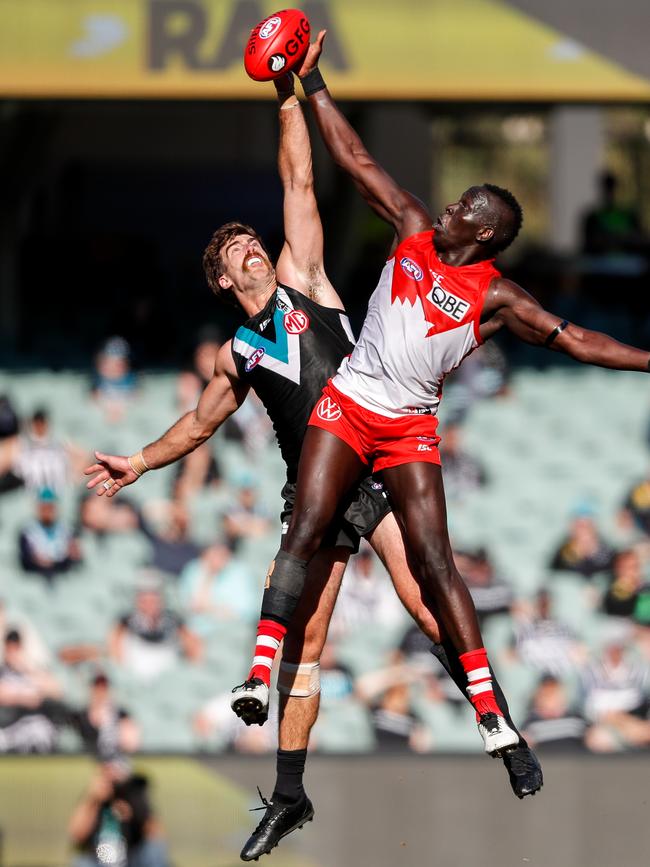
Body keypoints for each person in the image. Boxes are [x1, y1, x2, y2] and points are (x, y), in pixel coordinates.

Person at [84, 70, 541, 860]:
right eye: (235, 249)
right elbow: (195, 427)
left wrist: (289, 93)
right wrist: (138, 462)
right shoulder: (237, 352)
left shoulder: (307, 278)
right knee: (303, 646)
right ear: (225, 280)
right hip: (320, 482)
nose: (251, 245)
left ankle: (504, 731)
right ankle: (290, 795)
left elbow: (299, 175)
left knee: (431, 600)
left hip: (382, 454)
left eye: (251, 238)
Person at [240, 27, 650, 808]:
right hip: (349, 403)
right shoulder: (413, 229)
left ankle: (496, 720)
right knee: (306, 522)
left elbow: (581, 341)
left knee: (437, 564)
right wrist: (314, 83)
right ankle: (260, 672)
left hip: (408, 428)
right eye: (459, 200)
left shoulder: (497, 296)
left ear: (487, 231)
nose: (454, 205)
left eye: (469, 205)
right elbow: (357, 162)